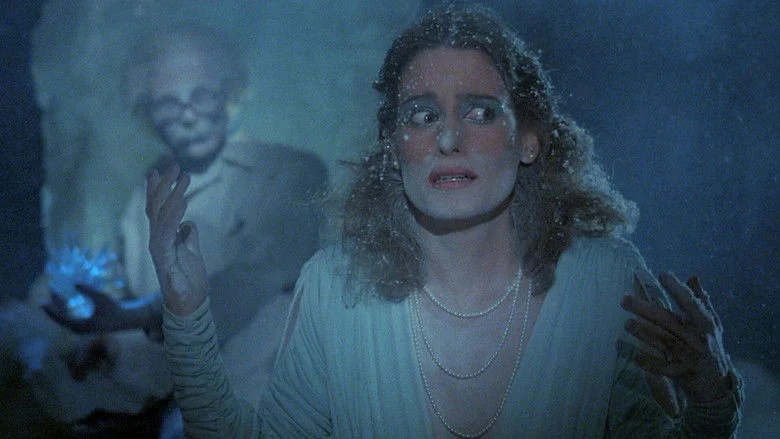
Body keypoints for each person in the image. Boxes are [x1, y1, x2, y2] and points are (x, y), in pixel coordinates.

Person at [149, 4, 743, 438]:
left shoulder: (603, 282)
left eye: (480, 113)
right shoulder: (336, 288)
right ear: (393, 143)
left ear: (529, 137)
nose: (449, 139)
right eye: (422, 115)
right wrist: (187, 313)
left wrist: (711, 399)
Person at [36, 24, 328, 435]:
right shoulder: (147, 192)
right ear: (147, 112)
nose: (188, 115)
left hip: (256, 387)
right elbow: (129, 289)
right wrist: (107, 338)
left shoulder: (289, 173)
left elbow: (253, 285)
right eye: (168, 104)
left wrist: (128, 318)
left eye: (201, 96)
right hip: (165, 385)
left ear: (230, 94)